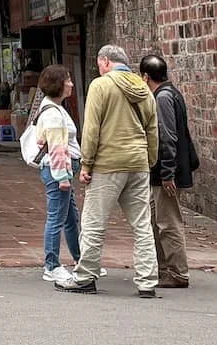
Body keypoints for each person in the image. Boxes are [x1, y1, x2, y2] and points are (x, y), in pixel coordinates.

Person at [55, 44, 160, 298]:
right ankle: (147, 281)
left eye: (98, 63)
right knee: (142, 225)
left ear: (104, 62)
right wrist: (150, 161)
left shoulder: (100, 86)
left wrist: (86, 163)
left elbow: (91, 129)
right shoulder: (143, 89)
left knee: (94, 223)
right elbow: (152, 129)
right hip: (138, 162)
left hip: (108, 163)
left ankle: (85, 276)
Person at [141, 53, 199, 289]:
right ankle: (164, 268)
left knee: (168, 222)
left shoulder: (163, 98)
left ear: (145, 77)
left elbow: (167, 137)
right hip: (166, 171)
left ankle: (177, 272)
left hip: (167, 172)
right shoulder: (171, 93)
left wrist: (167, 173)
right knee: (156, 220)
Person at [27, 64, 83, 283]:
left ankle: (79, 259)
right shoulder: (53, 113)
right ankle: (51, 265)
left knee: (70, 218)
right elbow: (57, 147)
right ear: (59, 84)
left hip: (61, 171)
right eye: (67, 80)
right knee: (57, 218)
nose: (71, 84)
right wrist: (63, 178)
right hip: (58, 172)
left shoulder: (56, 108)